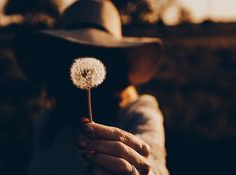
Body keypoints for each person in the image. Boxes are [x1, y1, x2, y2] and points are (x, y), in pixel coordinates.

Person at [13, 0, 169, 175]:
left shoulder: (138, 113)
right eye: (73, 49)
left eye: (99, 51)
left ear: (117, 62)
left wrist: (136, 170)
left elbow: (152, 158)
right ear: (58, 60)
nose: (86, 57)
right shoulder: (46, 121)